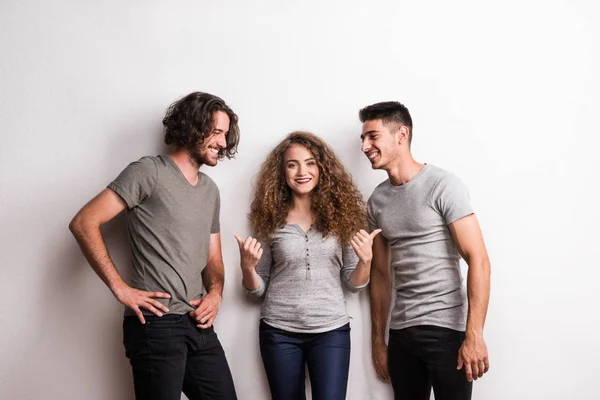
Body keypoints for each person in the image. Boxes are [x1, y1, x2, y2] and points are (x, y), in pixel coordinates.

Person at [69, 92, 240, 400]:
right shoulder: (148, 172)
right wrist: (121, 288)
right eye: (217, 132)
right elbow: (84, 222)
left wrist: (215, 294)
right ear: (193, 127)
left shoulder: (210, 191)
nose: (224, 143)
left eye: (226, 135)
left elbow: (213, 257)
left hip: (198, 325)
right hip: (156, 326)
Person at [360, 101, 491, 400]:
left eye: (373, 136)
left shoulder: (443, 185)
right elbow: (380, 274)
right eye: (363, 139)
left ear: (401, 134)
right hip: (402, 333)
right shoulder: (377, 201)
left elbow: (479, 260)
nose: (366, 146)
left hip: (446, 331)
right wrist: (378, 341)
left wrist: (474, 335)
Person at [235, 131, 380, 400]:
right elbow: (256, 292)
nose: (302, 171)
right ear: (282, 172)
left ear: (322, 168)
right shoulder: (270, 218)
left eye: (310, 162)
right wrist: (247, 268)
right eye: (293, 164)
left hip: (331, 332)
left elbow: (353, 283)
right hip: (279, 332)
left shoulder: (343, 216)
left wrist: (366, 261)